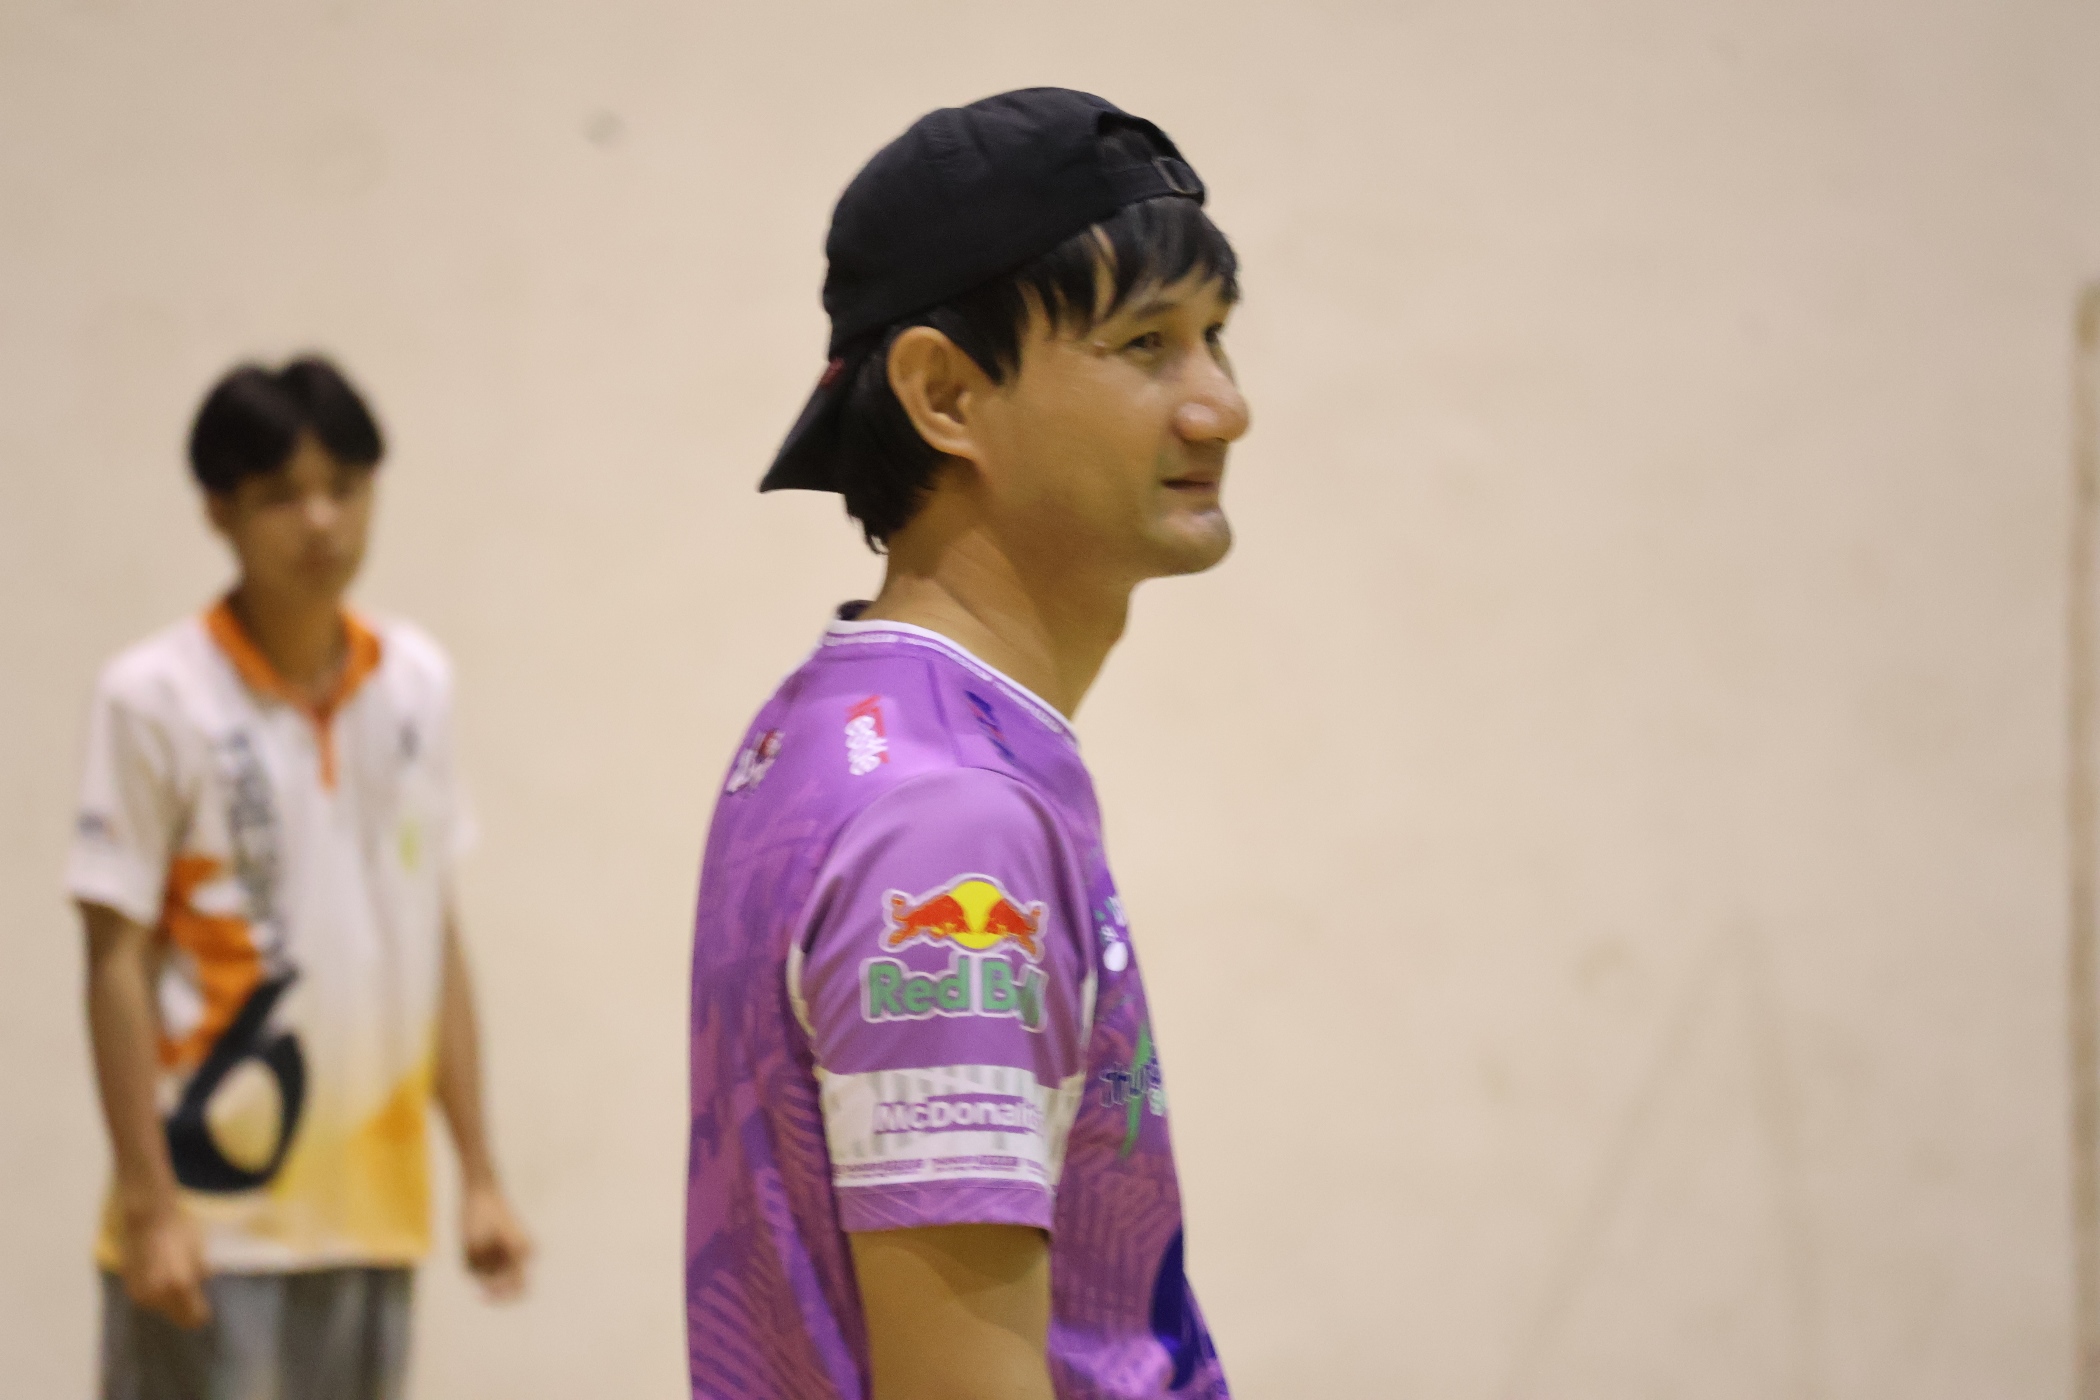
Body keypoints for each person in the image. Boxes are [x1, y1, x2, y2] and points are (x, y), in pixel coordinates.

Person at [685, 88, 1248, 1399]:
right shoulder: (946, 820)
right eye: (1149, 343)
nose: (1223, 407)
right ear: (946, 394)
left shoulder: (846, 729)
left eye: (1216, 337)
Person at [70, 356, 532, 1400]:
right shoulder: (154, 697)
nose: (321, 519)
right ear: (219, 511)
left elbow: (431, 933)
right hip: (208, 1221)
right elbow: (114, 962)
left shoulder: (415, 682)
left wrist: (480, 1173)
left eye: (345, 486)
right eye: (282, 494)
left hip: (374, 1211)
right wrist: (148, 1206)